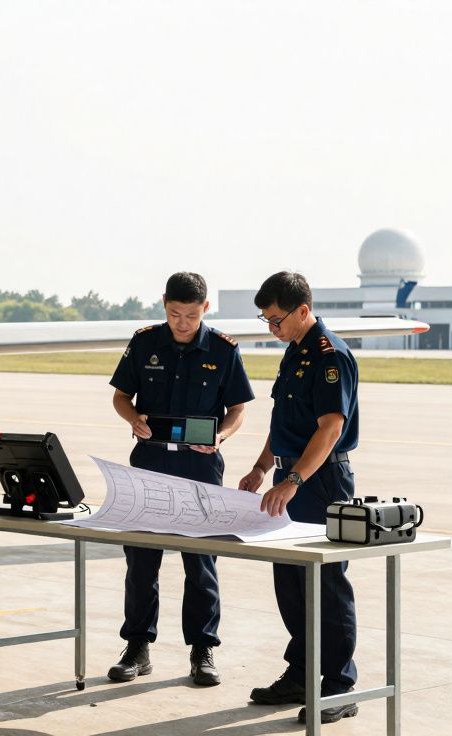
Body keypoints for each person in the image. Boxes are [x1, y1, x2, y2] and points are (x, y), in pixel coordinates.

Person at [106, 272, 255, 687]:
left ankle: (202, 650)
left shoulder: (224, 350)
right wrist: (132, 418)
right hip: (150, 462)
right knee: (141, 557)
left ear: (205, 308)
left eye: (191, 315)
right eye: (175, 314)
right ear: (164, 305)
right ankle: (137, 647)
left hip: (200, 467)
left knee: (201, 560)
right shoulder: (144, 342)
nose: (183, 322)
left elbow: (239, 407)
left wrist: (222, 435)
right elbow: (121, 396)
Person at [237, 271, 360, 725]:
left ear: (303, 311)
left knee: (326, 584)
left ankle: (340, 685)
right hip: (291, 476)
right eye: (266, 321)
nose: (272, 328)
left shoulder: (331, 357)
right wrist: (261, 468)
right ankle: (302, 673)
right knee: (289, 581)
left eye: (276, 320)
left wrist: (293, 481)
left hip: (320, 481)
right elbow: (283, 422)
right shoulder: (293, 353)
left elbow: (330, 429)